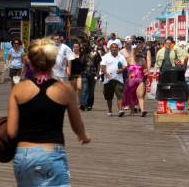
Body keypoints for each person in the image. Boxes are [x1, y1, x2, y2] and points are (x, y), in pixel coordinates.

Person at [7, 38, 90, 186]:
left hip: (24, 155)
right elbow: (77, 125)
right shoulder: (64, 90)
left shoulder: (18, 89)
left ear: (30, 62)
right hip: (51, 154)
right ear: (53, 62)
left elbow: (11, 132)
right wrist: (83, 136)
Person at [101, 41, 127, 117]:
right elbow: (102, 66)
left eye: (116, 47)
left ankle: (120, 110)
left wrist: (121, 70)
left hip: (118, 79)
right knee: (109, 97)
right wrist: (106, 73)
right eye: (113, 47)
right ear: (110, 49)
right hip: (108, 80)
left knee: (120, 95)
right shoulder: (106, 56)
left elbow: (125, 66)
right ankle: (110, 110)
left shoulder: (121, 57)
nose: (114, 49)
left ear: (118, 48)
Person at [122, 45, 148, 116]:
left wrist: (146, 75)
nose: (138, 55)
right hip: (130, 81)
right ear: (133, 52)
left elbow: (145, 69)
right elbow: (123, 68)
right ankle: (132, 111)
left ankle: (142, 110)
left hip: (140, 80)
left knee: (140, 95)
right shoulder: (128, 59)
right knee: (131, 96)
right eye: (136, 53)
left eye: (139, 53)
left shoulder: (142, 60)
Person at [80, 42, 101, 111]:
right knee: (85, 89)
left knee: (91, 91)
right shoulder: (83, 53)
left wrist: (97, 74)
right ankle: (83, 104)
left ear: (89, 45)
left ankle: (89, 105)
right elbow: (81, 63)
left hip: (93, 74)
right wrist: (83, 54)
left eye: (85, 46)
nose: (84, 47)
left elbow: (98, 64)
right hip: (84, 74)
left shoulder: (95, 53)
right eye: (83, 46)